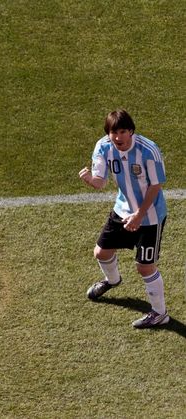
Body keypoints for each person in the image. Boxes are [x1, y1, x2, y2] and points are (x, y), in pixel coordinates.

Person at [79, 109, 169, 328]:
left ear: (131, 131)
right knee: (101, 252)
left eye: (122, 131)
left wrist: (139, 215)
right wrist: (91, 180)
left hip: (150, 216)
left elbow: (156, 185)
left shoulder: (148, 150)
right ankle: (112, 280)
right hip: (122, 210)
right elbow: (101, 181)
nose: (118, 137)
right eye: (113, 132)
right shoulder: (103, 147)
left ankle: (160, 313)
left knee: (145, 267)